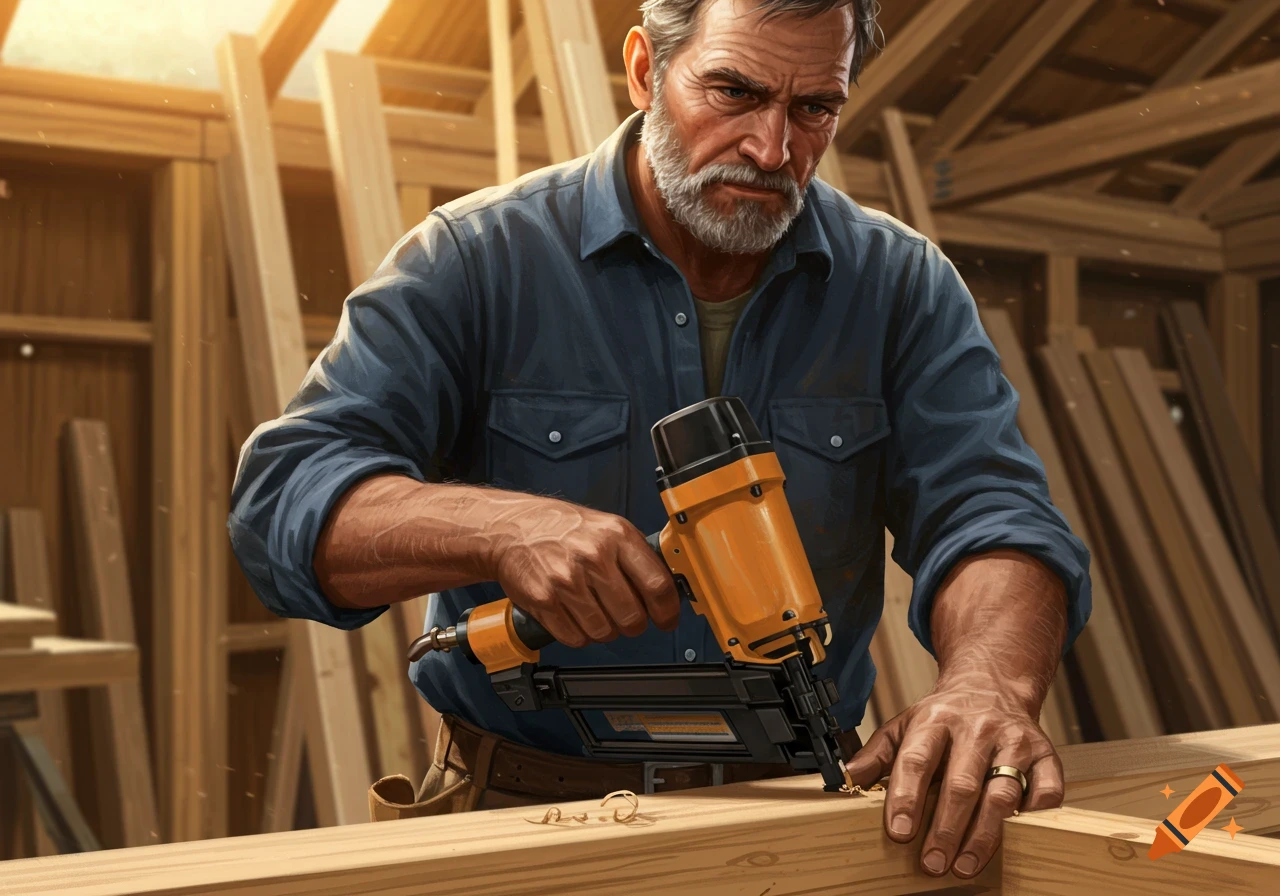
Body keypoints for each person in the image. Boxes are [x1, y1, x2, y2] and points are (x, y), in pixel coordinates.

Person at [228, 0, 1092, 882]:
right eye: (732, 91)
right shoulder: (477, 259)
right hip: (525, 827)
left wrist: (988, 682)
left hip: (803, 824)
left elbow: (996, 517)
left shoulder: (902, 286)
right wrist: (500, 529)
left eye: (813, 110)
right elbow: (282, 504)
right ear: (644, 70)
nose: (770, 149)